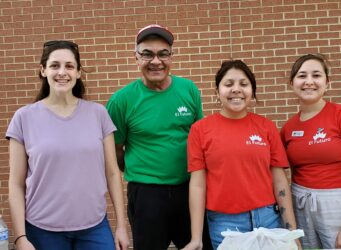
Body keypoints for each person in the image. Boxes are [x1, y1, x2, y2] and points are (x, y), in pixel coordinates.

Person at [7, 40, 130, 250]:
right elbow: (16, 184)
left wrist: (121, 226)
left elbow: (112, 173)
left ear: (79, 72)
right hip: (42, 229)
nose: (62, 72)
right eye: (54, 65)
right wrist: (20, 237)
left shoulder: (98, 114)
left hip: (94, 227)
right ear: (43, 71)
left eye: (69, 66)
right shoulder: (23, 118)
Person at [106, 24, 212, 250]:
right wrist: (144, 169)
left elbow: (199, 140)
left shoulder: (189, 90)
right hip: (146, 195)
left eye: (163, 54)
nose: (156, 61)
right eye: (147, 54)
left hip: (189, 190)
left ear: (171, 57)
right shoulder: (121, 101)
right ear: (136, 58)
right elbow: (115, 151)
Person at [183, 60, 299, 250]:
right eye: (228, 84)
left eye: (243, 84)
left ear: (252, 91)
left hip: (269, 218)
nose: (236, 89)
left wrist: (291, 231)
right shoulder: (200, 130)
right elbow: (197, 185)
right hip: (225, 223)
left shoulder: (266, 127)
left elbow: (279, 181)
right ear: (217, 91)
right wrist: (196, 238)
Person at [280, 53, 341, 249]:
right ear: (292, 83)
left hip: (338, 205)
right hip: (301, 203)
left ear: (327, 82)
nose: (309, 82)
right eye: (302, 76)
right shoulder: (288, 128)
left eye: (316, 75)